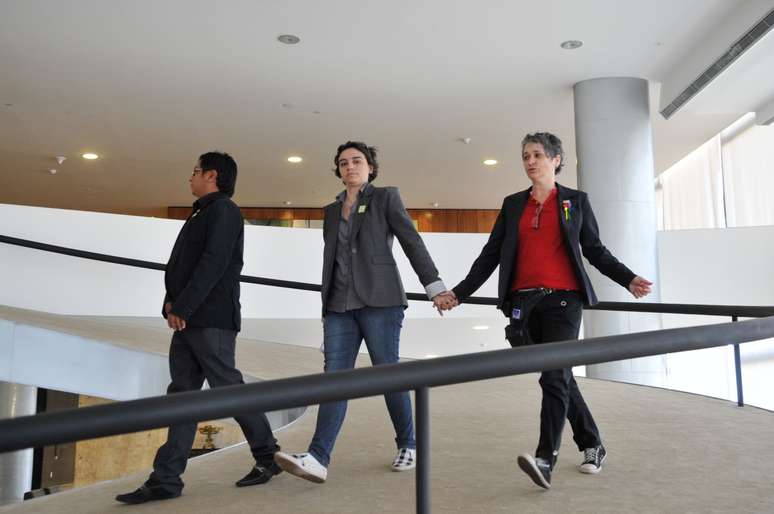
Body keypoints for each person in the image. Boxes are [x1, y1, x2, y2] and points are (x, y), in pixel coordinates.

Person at [441, 132, 652, 490]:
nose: (530, 161)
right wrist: (459, 293)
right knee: (558, 377)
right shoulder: (512, 205)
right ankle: (592, 443)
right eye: (525, 155)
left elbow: (595, 250)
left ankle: (544, 460)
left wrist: (627, 278)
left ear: (556, 160)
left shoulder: (574, 201)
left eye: (537, 154)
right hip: (523, 306)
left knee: (555, 378)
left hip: (564, 302)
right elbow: (490, 255)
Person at [274, 141, 452, 483]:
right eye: (343, 163)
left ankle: (409, 444)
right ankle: (318, 457)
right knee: (334, 380)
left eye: (357, 161)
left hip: (380, 301)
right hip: (339, 305)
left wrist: (435, 287)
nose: (350, 167)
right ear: (338, 171)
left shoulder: (385, 198)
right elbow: (333, 260)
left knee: (388, 374)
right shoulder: (330, 210)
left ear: (370, 167)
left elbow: (411, 241)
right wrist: (325, 310)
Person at [116, 152, 282, 504]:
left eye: (194, 172)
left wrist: (184, 306)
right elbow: (184, 264)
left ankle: (268, 455)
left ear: (212, 175)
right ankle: (166, 478)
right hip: (190, 318)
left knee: (228, 388)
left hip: (210, 319)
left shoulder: (223, 210)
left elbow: (214, 263)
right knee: (182, 397)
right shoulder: (203, 210)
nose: (189, 178)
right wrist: (170, 302)